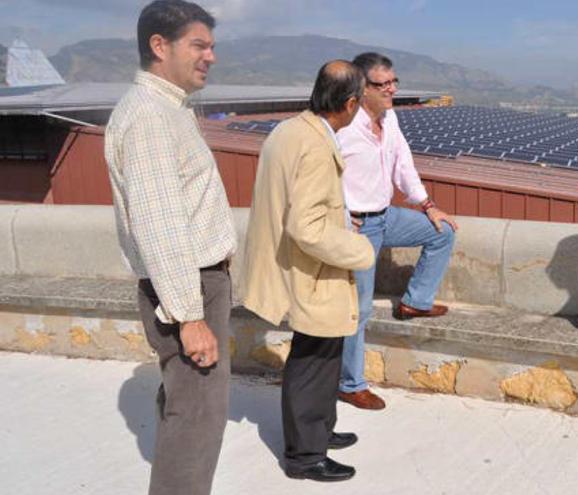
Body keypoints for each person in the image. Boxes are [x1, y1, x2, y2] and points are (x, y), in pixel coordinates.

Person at [104, 2, 235, 494]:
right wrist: (189, 316)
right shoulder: (149, 117)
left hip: (195, 283)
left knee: (189, 410)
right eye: (199, 45)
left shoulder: (166, 108)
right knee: (196, 418)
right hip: (190, 287)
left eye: (212, 46)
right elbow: (160, 225)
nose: (211, 57)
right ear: (160, 46)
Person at [238, 60, 375, 482]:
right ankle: (305, 456)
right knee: (313, 362)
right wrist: (360, 248)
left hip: (294, 268)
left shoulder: (290, 130)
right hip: (309, 274)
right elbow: (307, 226)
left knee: (319, 357)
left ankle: (320, 429)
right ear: (350, 103)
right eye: (361, 102)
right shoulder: (316, 145)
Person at [336, 52, 458, 410]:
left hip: (385, 216)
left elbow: (404, 165)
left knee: (442, 232)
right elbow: (322, 173)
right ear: (362, 87)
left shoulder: (390, 119)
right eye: (382, 83)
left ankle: (414, 302)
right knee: (357, 309)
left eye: (394, 81)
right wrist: (340, 213)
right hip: (357, 227)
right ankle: (350, 383)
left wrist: (428, 206)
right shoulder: (343, 125)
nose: (392, 89)